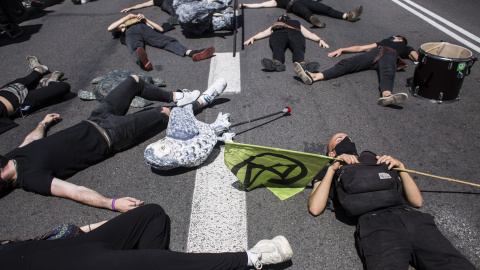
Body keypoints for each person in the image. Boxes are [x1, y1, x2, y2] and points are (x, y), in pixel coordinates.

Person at [0, 75, 227, 213]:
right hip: (113, 135)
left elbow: (27, 143)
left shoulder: (12, 157)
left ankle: (179, 97)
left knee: (134, 82)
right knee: (164, 114)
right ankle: (202, 101)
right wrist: (111, 203)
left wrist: (42, 124)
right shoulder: (31, 179)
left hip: (96, 118)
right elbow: (72, 191)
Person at [307, 133, 476, 270]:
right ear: (331, 152)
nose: (346, 140)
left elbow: (416, 202)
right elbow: (315, 207)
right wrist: (332, 168)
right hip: (377, 225)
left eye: (349, 138)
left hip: (413, 219)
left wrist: (400, 168)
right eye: (339, 139)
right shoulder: (330, 168)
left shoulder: (374, 160)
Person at [0, 204, 294, 270]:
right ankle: (249, 258)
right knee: (164, 262)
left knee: (152, 214)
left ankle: (158, 265)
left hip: (69, 245)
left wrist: (106, 217)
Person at [294, 36, 419, 107]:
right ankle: (314, 76)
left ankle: (387, 96)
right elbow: (361, 48)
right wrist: (343, 49)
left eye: (396, 37)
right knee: (347, 64)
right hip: (375, 53)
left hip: (390, 55)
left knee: (387, 73)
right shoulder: (383, 42)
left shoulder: (405, 47)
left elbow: (416, 57)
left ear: (399, 38)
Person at [108, 13, 215, 71]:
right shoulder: (123, 27)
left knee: (167, 41)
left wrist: (145, 19)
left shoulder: (144, 23)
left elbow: (160, 29)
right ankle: (142, 61)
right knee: (135, 46)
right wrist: (126, 17)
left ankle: (191, 53)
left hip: (147, 31)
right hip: (132, 33)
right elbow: (110, 28)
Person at [0, 56, 70, 135]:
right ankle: (49, 82)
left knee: (30, 78)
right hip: (21, 101)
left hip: (5, 91)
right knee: (63, 87)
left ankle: (39, 69)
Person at [244, 14, 329, 72]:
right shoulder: (277, 24)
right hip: (281, 33)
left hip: (292, 33)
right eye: (281, 16)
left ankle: (301, 64)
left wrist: (320, 39)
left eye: (285, 15)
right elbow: (264, 33)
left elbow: (309, 34)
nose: (283, 15)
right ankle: (277, 63)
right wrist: (253, 38)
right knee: (278, 47)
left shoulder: (295, 23)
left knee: (298, 47)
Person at [240, 1, 362, 28]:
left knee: (326, 8)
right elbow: (261, 4)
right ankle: (315, 21)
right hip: (293, 5)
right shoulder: (275, 1)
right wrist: (245, 5)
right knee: (305, 13)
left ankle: (347, 16)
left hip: (306, 1)